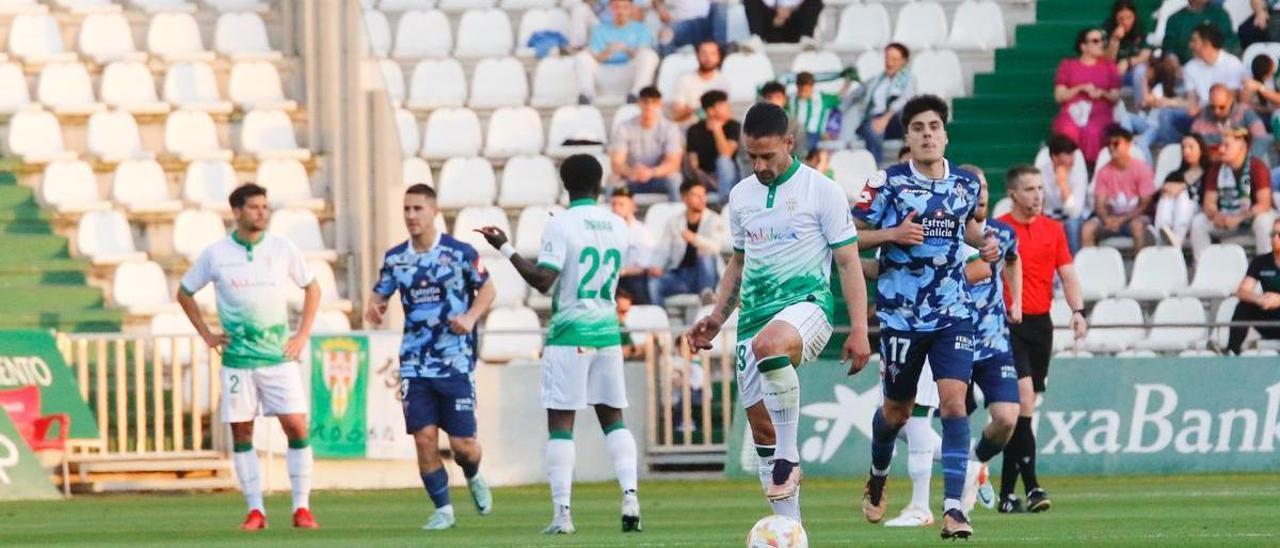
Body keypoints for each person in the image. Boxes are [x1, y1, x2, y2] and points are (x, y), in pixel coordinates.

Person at [687, 102, 871, 524]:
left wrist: (859, 329)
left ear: (789, 143)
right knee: (762, 431)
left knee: (772, 348)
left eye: (767, 156)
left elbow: (847, 263)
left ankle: (790, 457)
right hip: (752, 317)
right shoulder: (740, 196)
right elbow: (739, 260)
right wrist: (717, 316)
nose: (759, 165)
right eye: (751, 156)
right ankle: (791, 529)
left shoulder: (820, 190)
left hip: (808, 309)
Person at [852, 94, 1001, 539]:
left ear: (945, 133)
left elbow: (969, 231)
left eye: (934, 126)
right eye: (918, 128)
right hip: (900, 317)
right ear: (908, 137)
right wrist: (893, 234)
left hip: (953, 312)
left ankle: (955, 509)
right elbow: (848, 238)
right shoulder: (887, 183)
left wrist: (986, 244)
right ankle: (879, 473)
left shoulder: (964, 184)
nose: (928, 134)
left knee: (955, 405)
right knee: (895, 413)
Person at [474, 154, 642, 534]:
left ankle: (563, 514)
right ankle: (631, 496)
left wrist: (506, 248)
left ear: (565, 186)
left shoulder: (561, 225)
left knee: (561, 424)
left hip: (570, 335)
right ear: (599, 185)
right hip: (607, 332)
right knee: (613, 419)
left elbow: (543, 280)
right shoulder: (619, 225)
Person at [175, 183, 320, 530]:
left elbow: (312, 287)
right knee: (242, 433)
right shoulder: (216, 253)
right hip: (238, 360)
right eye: (254, 207)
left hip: (278, 357)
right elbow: (184, 292)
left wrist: (302, 334)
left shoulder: (282, 248)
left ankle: (302, 507)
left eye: (265, 207)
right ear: (237, 212)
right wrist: (207, 334)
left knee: (297, 426)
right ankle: (256, 510)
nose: (262, 213)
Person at [364, 184, 497, 531]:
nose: (410, 215)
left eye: (417, 208)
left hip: (454, 360)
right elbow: (380, 293)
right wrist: (374, 308)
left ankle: (472, 473)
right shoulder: (396, 257)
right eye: (406, 209)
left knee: (463, 446)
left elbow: (488, 288)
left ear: (433, 211)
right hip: (414, 363)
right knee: (424, 440)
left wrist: (469, 318)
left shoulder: (459, 252)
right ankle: (444, 511)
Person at [997, 165, 1088, 514]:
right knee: (1023, 400)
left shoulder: (1054, 230)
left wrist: (1078, 311)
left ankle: (1006, 495)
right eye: (1030, 189)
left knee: (1023, 412)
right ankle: (1033, 486)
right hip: (1008, 323)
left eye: (1040, 188)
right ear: (1014, 194)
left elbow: (1067, 274)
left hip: (1041, 325)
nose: (1038, 195)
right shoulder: (1000, 228)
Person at [954, 165, 1023, 515]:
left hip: (994, 341)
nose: (981, 194)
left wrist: (1018, 301)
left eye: (983, 187)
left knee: (1008, 417)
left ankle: (975, 463)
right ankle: (952, 504)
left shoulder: (1002, 233)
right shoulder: (944, 237)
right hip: (952, 340)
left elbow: (1012, 259)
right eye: (972, 187)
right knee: (955, 422)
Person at [1190, 127, 1277, 258]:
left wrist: (1240, 217)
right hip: (1226, 218)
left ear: (1242, 145)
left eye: (1226, 146)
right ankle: (1203, 268)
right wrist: (1216, 214)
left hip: (1251, 218)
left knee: (1263, 221)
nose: (1221, 150)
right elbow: (1209, 203)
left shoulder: (1257, 166)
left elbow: (1264, 204)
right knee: (1199, 222)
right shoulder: (1216, 168)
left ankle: (1263, 269)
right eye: (1221, 145)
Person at [1052, 27, 1121, 165]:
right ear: (1083, 46)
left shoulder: (1109, 67)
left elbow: (1115, 97)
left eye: (1102, 40)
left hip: (1100, 114)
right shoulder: (1068, 65)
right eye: (1095, 41)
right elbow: (1059, 96)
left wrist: (1102, 93)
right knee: (1068, 129)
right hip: (1073, 112)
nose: (1101, 44)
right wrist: (1080, 88)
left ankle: (1089, 169)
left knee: (1094, 132)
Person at [1082, 124, 1156, 248]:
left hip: (1135, 217)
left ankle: (1140, 266)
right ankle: (1091, 266)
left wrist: (1123, 219)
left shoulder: (1142, 168)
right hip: (1110, 219)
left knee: (1137, 226)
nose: (1111, 147)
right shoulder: (1103, 172)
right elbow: (1099, 204)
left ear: (1128, 145)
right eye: (1109, 145)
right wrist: (1106, 219)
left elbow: (1145, 204)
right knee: (1087, 229)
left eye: (1116, 143)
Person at [575, 0, 661, 105]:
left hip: (628, 72)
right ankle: (587, 95)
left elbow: (642, 53)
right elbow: (596, 57)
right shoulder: (599, 29)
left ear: (630, 9)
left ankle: (637, 93)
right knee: (582, 57)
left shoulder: (642, 29)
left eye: (625, 7)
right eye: (617, 7)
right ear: (611, 9)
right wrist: (610, 50)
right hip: (604, 71)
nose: (621, 11)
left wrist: (625, 48)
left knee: (650, 55)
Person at [654, 179, 727, 301]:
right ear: (684, 198)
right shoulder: (674, 222)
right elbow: (664, 249)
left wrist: (694, 239)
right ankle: (658, 316)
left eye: (703, 195)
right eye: (696, 195)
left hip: (705, 275)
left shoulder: (714, 219)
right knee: (654, 282)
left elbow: (716, 247)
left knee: (706, 255)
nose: (702, 199)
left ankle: (706, 294)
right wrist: (656, 266)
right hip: (680, 276)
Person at [610, 86, 685, 200]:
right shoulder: (624, 127)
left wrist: (651, 172)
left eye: (654, 102)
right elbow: (616, 163)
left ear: (659, 104)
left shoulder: (670, 128)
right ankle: (608, 217)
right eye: (645, 102)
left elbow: (674, 163)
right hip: (632, 177)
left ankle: (678, 213)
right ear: (639, 103)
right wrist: (631, 172)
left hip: (659, 177)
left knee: (675, 179)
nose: (649, 106)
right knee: (613, 181)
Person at [845, 43, 915, 164]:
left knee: (908, 114)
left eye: (894, 59)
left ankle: (910, 160)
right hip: (874, 118)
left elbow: (905, 99)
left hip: (895, 120)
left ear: (903, 61)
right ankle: (875, 169)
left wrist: (885, 118)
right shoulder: (875, 81)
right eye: (887, 58)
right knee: (873, 128)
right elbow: (853, 95)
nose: (890, 63)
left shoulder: (909, 79)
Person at [1228, 218, 1280, 354]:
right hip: (1270, 318)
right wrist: (1259, 299)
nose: (1275, 238)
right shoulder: (1261, 261)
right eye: (1273, 234)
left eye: (1279, 234)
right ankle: (1231, 353)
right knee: (1244, 306)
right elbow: (1242, 291)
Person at [685, 90, 741, 202]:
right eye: (723, 105)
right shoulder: (694, 130)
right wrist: (708, 178)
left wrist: (717, 129)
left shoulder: (733, 126)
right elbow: (693, 163)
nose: (728, 107)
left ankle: (726, 202)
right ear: (710, 110)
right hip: (704, 179)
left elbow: (726, 153)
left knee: (723, 161)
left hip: (730, 178)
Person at [1036, 134, 1089, 252]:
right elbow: (1038, 203)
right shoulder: (1042, 168)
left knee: (1071, 225)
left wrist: (1063, 184)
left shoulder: (1078, 169)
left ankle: (1074, 264)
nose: (1072, 160)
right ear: (1054, 158)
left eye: (1072, 155)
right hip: (1049, 215)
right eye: (1067, 156)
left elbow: (1074, 211)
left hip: (1073, 216)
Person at [610, 187, 661, 305]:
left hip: (631, 278)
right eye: (614, 204)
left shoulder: (642, 232)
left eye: (621, 204)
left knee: (638, 284)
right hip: (610, 278)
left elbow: (644, 266)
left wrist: (623, 271)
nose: (616, 208)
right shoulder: (605, 231)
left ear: (633, 206)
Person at [1190, 84, 1269, 152]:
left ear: (1230, 101)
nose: (1216, 111)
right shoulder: (1202, 118)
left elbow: (1261, 137)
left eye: (1222, 107)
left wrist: (1249, 160)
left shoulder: (1244, 111)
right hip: (1215, 163)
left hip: (1245, 160)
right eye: (1212, 107)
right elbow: (1194, 143)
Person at [1103, 0, 1152, 106]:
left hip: (1134, 71)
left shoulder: (1140, 26)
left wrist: (1128, 62)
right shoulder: (1108, 27)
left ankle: (1141, 107)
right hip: (1114, 73)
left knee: (1141, 70)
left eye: (1129, 18)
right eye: (1121, 19)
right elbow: (1107, 60)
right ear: (1115, 18)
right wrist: (1115, 39)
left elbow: (1146, 54)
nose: (1125, 22)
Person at [671, 40, 730, 124]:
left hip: (714, 130)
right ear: (697, 55)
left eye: (713, 54)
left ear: (719, 57)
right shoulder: (684, 79)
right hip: (688, 130)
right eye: (704, 53)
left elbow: (726, 115)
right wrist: (697, 111)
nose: (708, 58)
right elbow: (676, 115)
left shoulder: (722, 81)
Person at [1162, 0, 1237, 65]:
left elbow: (1231, 43)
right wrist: (1172, 61)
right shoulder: (1175, 20)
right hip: (1186, 73)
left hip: (1217, 68)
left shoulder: (1220, 14)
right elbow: (1169, 49)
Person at [787, 72, 844, 156]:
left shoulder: (823, 99)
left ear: (812, 87)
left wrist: (848, 81)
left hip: (813, 134)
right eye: (800, 90)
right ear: (797, 87)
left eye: (806, 90)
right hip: (793, 133)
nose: (803, 93)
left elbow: (841, 97)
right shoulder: (791, 99)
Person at [654, 1, 729, 56]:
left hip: (708, 24)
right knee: (665, 33)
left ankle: (721, 56)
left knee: (721, 6)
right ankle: (670, 68)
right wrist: (662, 11)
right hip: (685, 26)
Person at [743, 0, 823, 44]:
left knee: (815, 2)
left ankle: (807, 38)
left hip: (794, 23)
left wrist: (788, 9)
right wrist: (777, 11)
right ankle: (756, 37)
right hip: (771, 23)